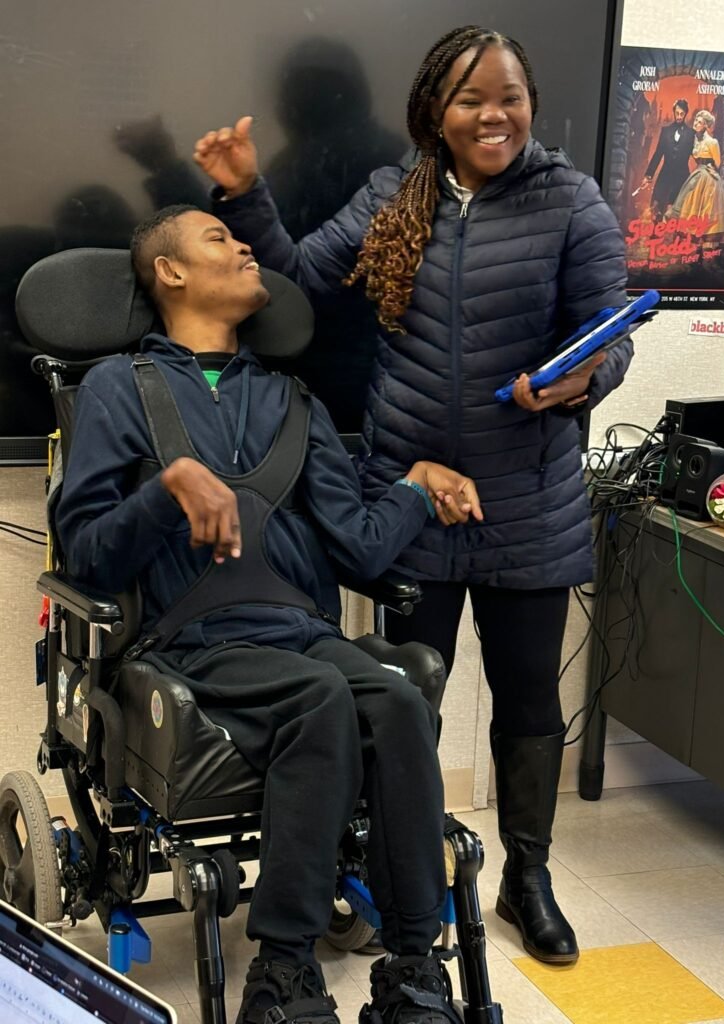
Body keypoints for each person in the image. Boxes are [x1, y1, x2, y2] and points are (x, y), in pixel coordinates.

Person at [194, 24, 631, 966]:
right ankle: (404, 879)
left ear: (531, 100)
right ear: (435, 108)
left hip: (530, 499)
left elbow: (611, 332)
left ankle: (530, 876)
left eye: (509, 95)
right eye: (471, 98)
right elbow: (302, 280)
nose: (494, 115)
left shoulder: (572, 201)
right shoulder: (396, 194)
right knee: (404, 701)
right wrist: (244, 192)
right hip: (408, 497)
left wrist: (584, 380)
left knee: (528, 704)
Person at [55, 203, 484, 1024]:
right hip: (191, 641)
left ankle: (414, 968)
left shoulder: (297, 402)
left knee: (397, 695)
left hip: (301, 635)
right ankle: (281, 975)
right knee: (320, 697)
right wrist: (166, 489)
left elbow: (358, 547)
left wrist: (414, 488)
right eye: (219, 237)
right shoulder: (118, 390)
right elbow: (87, 557)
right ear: (169, 272)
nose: (245, 244)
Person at [671, 109, 724, 244]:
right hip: (697, 174)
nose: (695, 123)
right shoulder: (695, 140)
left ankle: (706, 247)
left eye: (699, 122)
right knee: (691, 204)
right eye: (695, 120)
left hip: (709, 178)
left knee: (706, 209)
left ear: (706, 125)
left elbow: (717, 162)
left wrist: (709, 167)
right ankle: (693, 245)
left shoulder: (712, 142)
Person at [641, 99, 695, 219]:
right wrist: (648, 175)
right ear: (674, 112)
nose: (679, 117)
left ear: (685, 113)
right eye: (677, 113)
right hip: (665, 175)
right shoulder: (666, 131)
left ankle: (676, 236)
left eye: (682, 114)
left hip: (682, 177)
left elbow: (696, 155)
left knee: (678, 212)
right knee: (657, 208)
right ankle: (655, 234)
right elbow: (658, 154)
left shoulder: (691, 134)